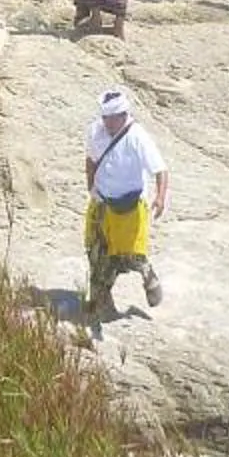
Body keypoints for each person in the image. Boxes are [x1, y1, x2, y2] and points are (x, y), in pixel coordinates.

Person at [84, 87, 169, 318]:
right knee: (97, 253)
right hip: (102, 203)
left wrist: (160, 198)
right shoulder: (95, 132)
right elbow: (91, 159)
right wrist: (90, 185)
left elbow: (160, 169)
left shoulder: (137, 137)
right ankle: (100, 301)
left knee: (130, 256)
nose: (107, 123)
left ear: (123, 116)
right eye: (104, 118)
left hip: (130, 208)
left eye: (111, 119)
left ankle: (148, 276)